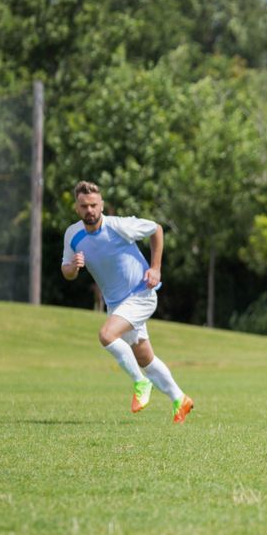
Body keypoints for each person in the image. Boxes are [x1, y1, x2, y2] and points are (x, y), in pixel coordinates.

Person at [61, 180, 193, 423]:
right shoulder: (72, 234)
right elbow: (66, 272)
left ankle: (140, 383)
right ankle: (180, 399)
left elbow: (156, 229)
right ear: (77, 208)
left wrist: (155, 268)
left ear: (101, 205)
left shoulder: (120, 226)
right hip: (117, 305)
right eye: (84, 206)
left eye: (93, 205)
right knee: (145, 358)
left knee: (106, 335)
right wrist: (73, 267)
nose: (89, 210)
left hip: (141, 295)